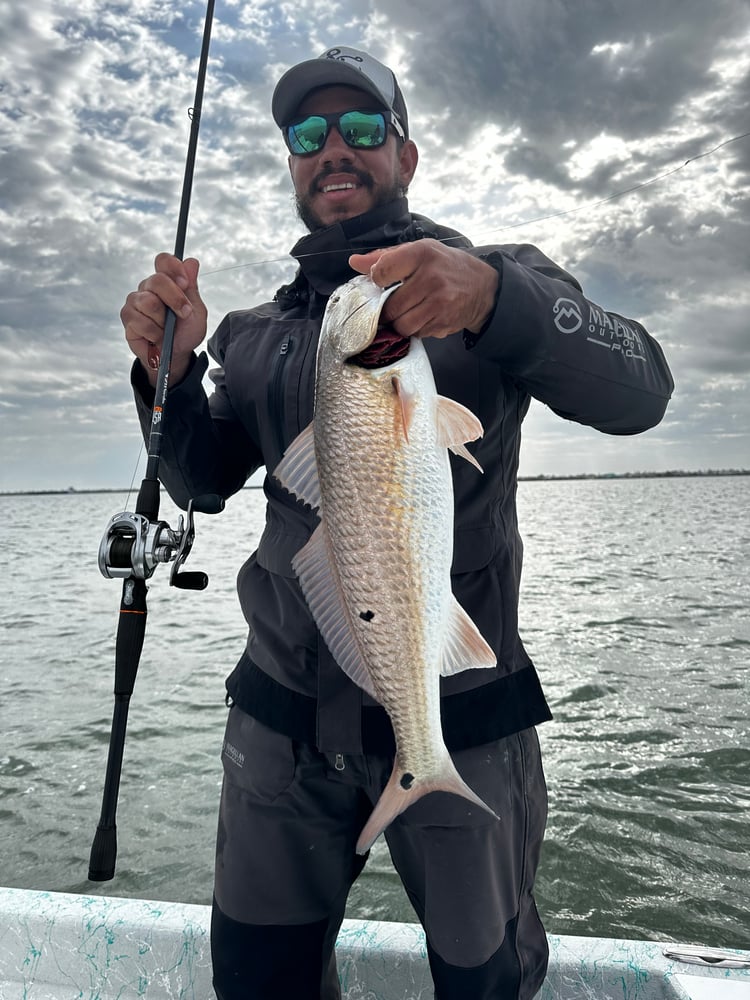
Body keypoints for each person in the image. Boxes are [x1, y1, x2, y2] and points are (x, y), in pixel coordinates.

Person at [121, 45, 674, 1000]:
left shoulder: (495, 285)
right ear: (292, 164)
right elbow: (200, 481)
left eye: (364, 128)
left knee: (485, 982)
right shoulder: (253, 335)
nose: (335, 148)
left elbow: (642, 391)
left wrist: (498, 302)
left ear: (405, 157)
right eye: (308, 134)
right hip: (280, 728)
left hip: (465, 718)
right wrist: (163, 380)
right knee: (259, 982)